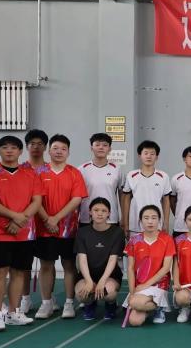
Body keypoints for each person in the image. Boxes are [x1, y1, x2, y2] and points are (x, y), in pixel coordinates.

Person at [0, 135, 43, 331]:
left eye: (14, 147)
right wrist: (15, 217)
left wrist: (22, 220)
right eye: (5, 147)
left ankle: (13, 312)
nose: (9, 151)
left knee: (19, 272)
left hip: (24, 233)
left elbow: (37, 201)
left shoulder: (31, 174)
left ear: (20, 151)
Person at [33, 134, 89, 319]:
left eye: (63, 149)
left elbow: (76, 199)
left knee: (69, 265)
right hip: (43, 229)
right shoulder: (39, 172)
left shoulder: (74, 173)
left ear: (68, 152)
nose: (59, 152)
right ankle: (46, 303)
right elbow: (34, 199)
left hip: (68, 230)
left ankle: (69, 303)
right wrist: (47, 219)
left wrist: (56, 218)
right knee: (46, 265)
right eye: (55, 148)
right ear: (49, 151)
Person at [123, 205, 176, 327]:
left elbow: (166, 268)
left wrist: (145, 285)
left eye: (154, 218)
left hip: (159, 284)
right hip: (139, 286)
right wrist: (132, 291)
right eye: (146, 218)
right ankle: (149, 306)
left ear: (159, 220)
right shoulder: (134, 240)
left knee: (136, 303)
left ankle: (159, 307)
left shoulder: (167, 239)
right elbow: (130, 268)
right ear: (141, 221)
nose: (150, 221)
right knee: (135, 321)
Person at [74, 197, 124, 321]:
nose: (100, 213)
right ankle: (90, 303)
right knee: (82, 295)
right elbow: (82, 260)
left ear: (109, 213)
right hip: (88, 274)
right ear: (90, 212)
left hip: (110, 275)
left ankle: (111, 304)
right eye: (96, 210)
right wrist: (89, 281)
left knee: (108, 292)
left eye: (103, 210)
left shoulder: (117, 232)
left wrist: (102, 281)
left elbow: (113, 259)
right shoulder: (82, 232)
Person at [17, 129, 49, 314]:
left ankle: (48, 300)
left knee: (47, 263)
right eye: (32, 144)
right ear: (26, 147)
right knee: (24, 266)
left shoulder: (51, 169)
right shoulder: (20, 169)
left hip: (47, 225)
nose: (36, 147)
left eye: (40, 144)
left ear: (45, 147)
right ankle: (25, 299)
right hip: (24, 225)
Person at [121, 140, 172, 236]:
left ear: (156, 157)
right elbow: (126, 199)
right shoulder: (131, 175)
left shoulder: (163, 176)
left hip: (156, 223)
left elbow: (166, 200)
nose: (149, 156)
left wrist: (166, 223)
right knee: (135, 245)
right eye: (146, 153)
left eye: (152, 154)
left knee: (155, 245)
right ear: (139, 156)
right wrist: (125, 222)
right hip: (135, 223)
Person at [79, 133, 122, 227]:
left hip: (111, 218)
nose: (101, 147)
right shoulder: (82, 169)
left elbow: (122, 195)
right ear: (91, 148)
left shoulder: (116, 169)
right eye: (97, 145)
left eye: (105, 145)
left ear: (109, 149)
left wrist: (124, 218)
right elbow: (77, 196)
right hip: (87, 218)